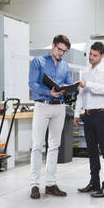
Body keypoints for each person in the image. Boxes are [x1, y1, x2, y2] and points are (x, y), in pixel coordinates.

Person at [28, 35, 74, 199]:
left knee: (54, 146)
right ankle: (34, 185)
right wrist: (50, 91)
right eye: (59, 49)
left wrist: (69, 88)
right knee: (38, 145)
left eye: (64, 51)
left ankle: (50, 184)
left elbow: (68, 84)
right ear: (53, 46)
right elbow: (32, 84)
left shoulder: (65, 66)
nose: (61, 53)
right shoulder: (38, 62)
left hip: (59, 108)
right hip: (42, 105)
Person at [74, 42, 104, 198]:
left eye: (95, 55)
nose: (91, 58)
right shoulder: (85, 72)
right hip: (89, 116)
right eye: (90, 54)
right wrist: (77, 113)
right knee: (91, 152)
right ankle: (95, 183)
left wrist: (89, 84)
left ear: (102, 56)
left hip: (102, 115)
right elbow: (81, 94)